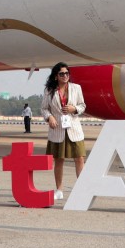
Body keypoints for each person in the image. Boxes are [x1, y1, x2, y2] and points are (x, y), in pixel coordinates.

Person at [40, 62, 86, 200]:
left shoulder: (76, 88)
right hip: (57, 130)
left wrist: (75, 109)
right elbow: (44, 108)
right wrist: (50, 117)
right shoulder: (49, 91)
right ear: (56, 76)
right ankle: (59, 190)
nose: (65, 76)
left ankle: (81, 188)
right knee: (59, 160)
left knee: (79, 158)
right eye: (61, 74)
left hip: (74, 129)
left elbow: (82, 105)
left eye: (67, 73)